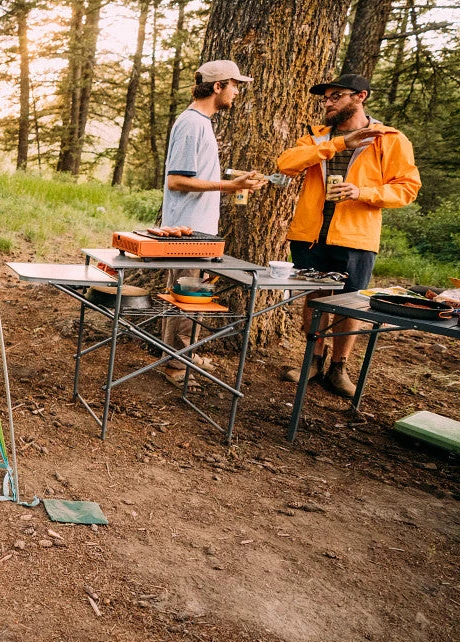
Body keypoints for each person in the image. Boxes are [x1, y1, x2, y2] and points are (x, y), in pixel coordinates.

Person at [277, 73, 421, 396]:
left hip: (356, 237)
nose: (328, 102)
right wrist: (339, 144)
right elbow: (286, 163)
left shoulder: (390, 139)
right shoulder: (317, 137)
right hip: (311, 235)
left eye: (336, 96)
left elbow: (408, 188)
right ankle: (312, 361)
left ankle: (338, 369)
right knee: (315, 298)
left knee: (352, 304)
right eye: (326, 98)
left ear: (360, 96)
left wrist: (362, 192)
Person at [158, 60, 264, 385]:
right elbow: (176, 180)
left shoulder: (201, 123)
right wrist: (232, 186)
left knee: (187, 298)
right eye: (234, 85)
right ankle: (176, 366)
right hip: (187, 232)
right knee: (188, 299)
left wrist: (233, 180)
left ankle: (177, 358)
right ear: (217, 87)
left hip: (197, 229)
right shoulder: (192, 124)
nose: (236, 91)